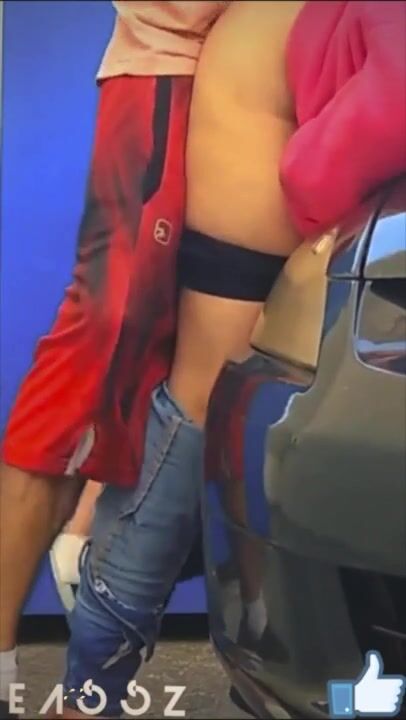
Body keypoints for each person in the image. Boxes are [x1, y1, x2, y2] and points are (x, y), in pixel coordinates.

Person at [0, 3, 229, 718]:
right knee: (104, 334)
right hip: (173, 67)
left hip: (229, 81)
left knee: (181, 353)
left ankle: (82, 539)